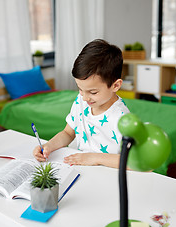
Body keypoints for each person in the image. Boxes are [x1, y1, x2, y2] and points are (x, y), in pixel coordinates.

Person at [33, 39, 130, 168]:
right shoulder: (81, 101)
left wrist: (94, 158)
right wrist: (48, 146)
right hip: (80, 170)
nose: (84, 98)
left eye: (93, 92)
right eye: (80, 89)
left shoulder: (123, 119)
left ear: (115, 85)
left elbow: (134, 162)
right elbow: (68, 133)